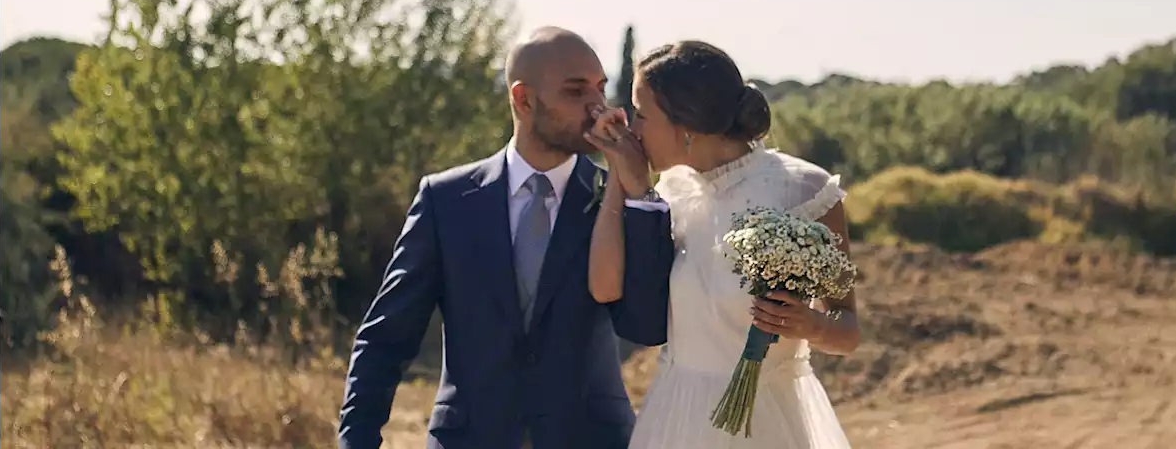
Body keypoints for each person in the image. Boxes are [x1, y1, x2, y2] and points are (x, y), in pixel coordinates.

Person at [338, 26, 675, 449]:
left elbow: (644, 325)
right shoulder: (445, 201)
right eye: (576, 92)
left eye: (600, 89)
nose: (597, 107)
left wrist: (635, 192)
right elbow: (386, 338)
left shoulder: (620, 200)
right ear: (523, 99)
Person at [585, 40, 861, 449]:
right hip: (675, 417)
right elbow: (631, 302)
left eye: (642, 115)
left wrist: (811, 324)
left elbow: (848, 330)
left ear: (687, 127)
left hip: (767, 424)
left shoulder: (805, 190)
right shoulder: (670, 193)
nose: (635, 129)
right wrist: (631, 184)